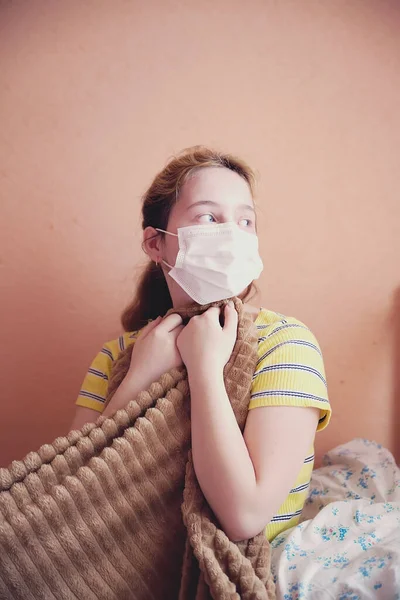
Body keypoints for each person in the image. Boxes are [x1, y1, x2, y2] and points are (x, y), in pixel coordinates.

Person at [71, 146, 331, 542]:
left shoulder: (287, 343)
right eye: (209, 217)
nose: (231, 233)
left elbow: (244, 518)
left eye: (246, 220)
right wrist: (139, 378)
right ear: (156, 243)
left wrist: (205, 370)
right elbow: (72, 491)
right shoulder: (117, 355)